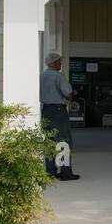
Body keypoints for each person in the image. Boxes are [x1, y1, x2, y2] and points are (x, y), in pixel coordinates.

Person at [40, 52, 79, 180]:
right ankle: (65, 172)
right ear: (53, 63)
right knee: (64, 141)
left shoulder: (41, 76)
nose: (60, 63)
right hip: (58, 110)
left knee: (49, 141)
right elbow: (68, 95)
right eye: (58, 61)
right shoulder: (58, 76)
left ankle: (50, 172)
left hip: (45, 110)